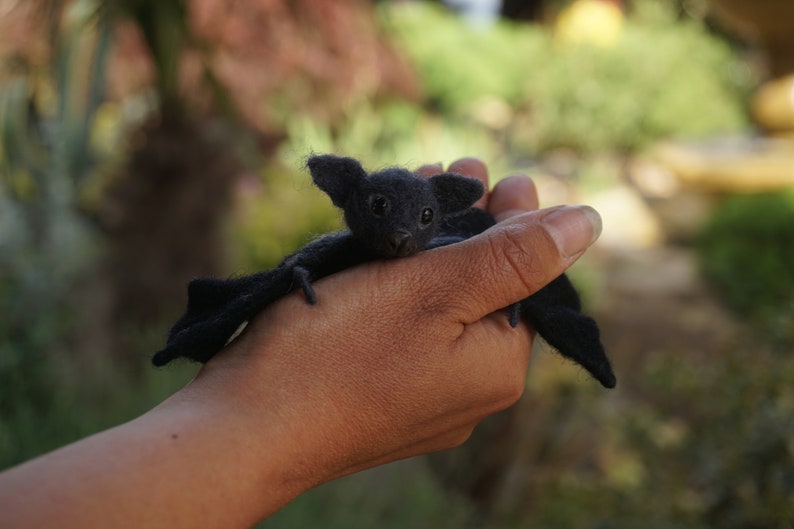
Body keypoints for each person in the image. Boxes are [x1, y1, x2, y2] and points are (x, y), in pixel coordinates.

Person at [0, 158, 602, 528]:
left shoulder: (449, 230)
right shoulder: (326, 254)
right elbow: (305, 265)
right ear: (346, 196)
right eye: (381, 214)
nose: (397, 237)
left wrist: (510, 285)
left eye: (420, 222)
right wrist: (287, 418)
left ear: (440, 211)